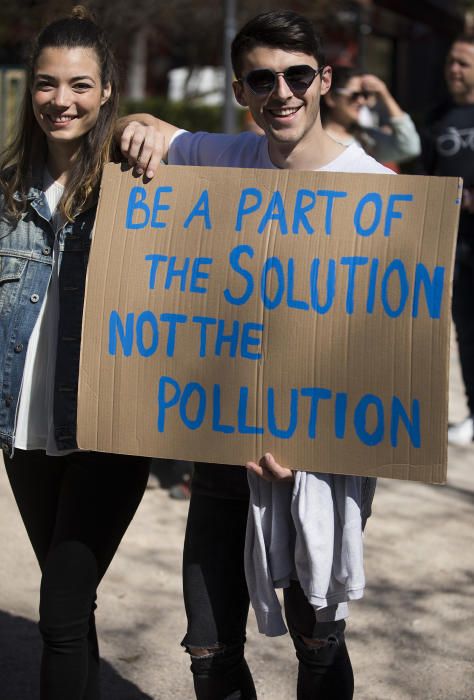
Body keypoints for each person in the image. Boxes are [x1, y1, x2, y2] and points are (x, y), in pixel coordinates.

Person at [118, 10, 392, 699]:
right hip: (219, 457)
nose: (283, 92)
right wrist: (137, 128)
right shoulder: (225, 159)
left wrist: (313, 439)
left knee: (318, 649)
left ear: (324, 80)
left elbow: (391, 355)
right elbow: (156, 134)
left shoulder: (379, 192)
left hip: (318, 471)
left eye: (298, 75)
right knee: (209, 655)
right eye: (262, 79)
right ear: (241, 90)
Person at [0, 8, 151, 698]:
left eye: (80, 86)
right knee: (72, 604)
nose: (62, 100)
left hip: (105, 432)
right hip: (24, 432)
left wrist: (157, 131)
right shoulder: (6, 191)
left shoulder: (140, 184)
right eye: (47, 84)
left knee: (59, 612)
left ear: (108, 90)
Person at [420, 35, 474, 446]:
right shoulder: (436, 117)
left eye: (464, 63)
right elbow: (422, 175)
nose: (454, 69)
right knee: (465, 332)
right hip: (454, 244)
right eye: (451, 61)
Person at [321, 65, 421, 167]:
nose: (361, 101)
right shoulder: (314, 138)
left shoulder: (366, 139)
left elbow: (410, 147)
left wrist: (384, 93)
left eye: (365, 95)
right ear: (331, 97)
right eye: (354, 95)